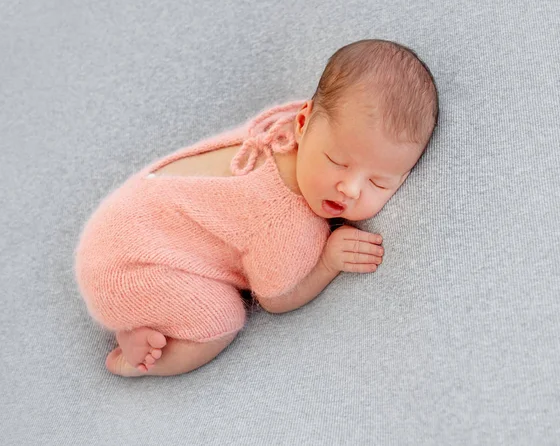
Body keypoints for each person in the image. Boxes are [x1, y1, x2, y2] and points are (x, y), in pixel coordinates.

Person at [74, 39, 439, 377]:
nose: (351, 188)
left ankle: (145, 317)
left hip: (119, 223)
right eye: (337, 161)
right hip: (126, 273)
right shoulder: (285, 221)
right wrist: (328, 262)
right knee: (222, 320)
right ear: (303, 122)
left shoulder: (283, 125)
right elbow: (277, 299)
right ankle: (133, 358)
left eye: (379, 182)